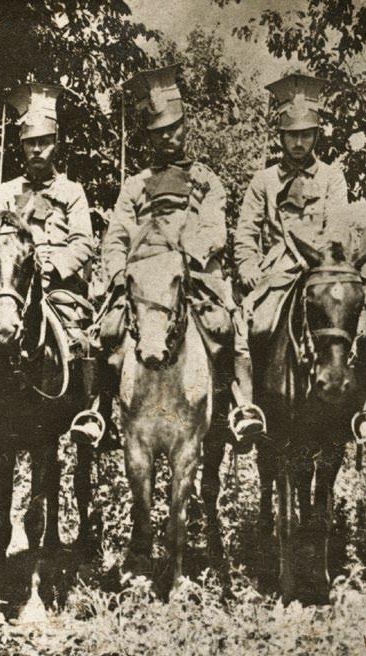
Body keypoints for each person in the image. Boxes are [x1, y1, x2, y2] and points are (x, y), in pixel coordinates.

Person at [95, 64, 266, 445]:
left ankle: (240, 408)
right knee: (105, 335)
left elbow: (216, 232)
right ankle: (99, 410)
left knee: (230, 331)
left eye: (174, 129)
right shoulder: (135, 185)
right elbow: (116, 237)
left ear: (185, 126)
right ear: (149, 137)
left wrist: (183, 258)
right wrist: (118, 274)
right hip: (143, 284)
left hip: (198, 278)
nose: (167, 138)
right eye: (158, 133)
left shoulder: (206, 179)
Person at [0, 82, 101, 453]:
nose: (36, 149)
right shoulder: (7, 191)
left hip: (58, 287)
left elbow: (84, 241)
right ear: (20, 146)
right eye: (29, 142)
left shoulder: (72, 192)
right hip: (12, 286)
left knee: (82, 341)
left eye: (44, 141)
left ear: (56, 143)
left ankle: (88, 415)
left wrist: (55, 265)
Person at [234, 73, 348, 357]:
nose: (299, 142)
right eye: (292, 135)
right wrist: (248, 266)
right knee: (257, 328)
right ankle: (250, 398)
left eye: (306, 134)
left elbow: (337, 228)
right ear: (281, 136)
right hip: (277, 270)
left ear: (316, 136)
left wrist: (323, 263)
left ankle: (358, 396)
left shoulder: (332, 177)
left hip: (322, 269)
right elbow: (246, 232)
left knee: (357, 324)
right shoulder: (264, 180)